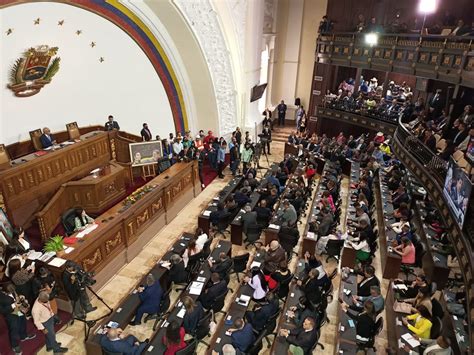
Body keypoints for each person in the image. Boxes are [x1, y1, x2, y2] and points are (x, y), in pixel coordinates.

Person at [0, 283, 36, 354]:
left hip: (17, 310)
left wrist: (20, 296)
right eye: (10, 292)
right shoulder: (1, 297)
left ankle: (23, 336)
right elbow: (2, 311)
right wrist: (13, 305)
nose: (12, 292)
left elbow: (16, 295)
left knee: (23, 321)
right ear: (4, 291)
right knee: (14, 329)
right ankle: (15, 345)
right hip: (10, 314)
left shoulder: (12, 289)